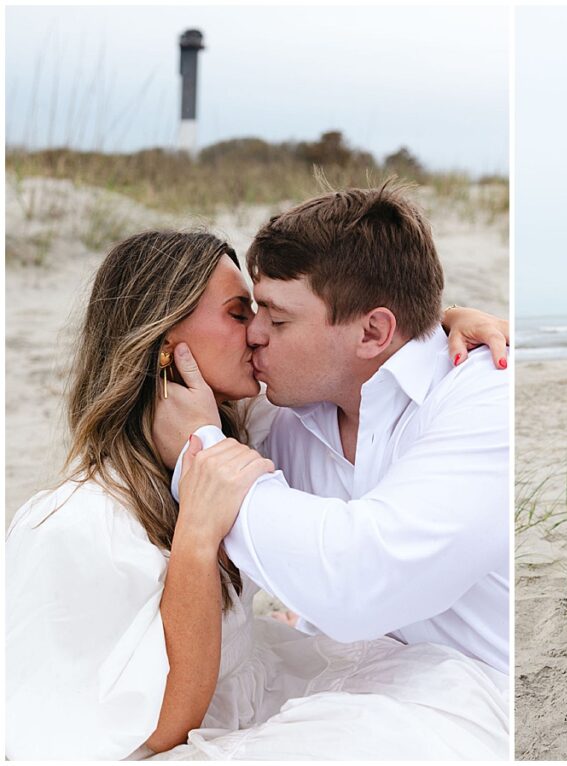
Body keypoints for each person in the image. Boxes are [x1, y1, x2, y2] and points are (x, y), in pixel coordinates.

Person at [6, 230, 511, 760]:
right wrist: (198, 536)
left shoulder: (252, 426)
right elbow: (141, 735)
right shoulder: (77, 523)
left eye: (267, 316)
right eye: (240, 312)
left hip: (279, 685)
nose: (257, 335)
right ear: (163, 338)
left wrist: (440, 322)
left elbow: (378, 351)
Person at [154, 184, 510, 674]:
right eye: (253, 311)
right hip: (355, 682)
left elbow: (362, 581)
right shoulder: (284, 411)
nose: (254, 334)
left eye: (277, 320)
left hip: (481, 701)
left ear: (372, 333)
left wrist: (204, 454)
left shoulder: (484, 399)